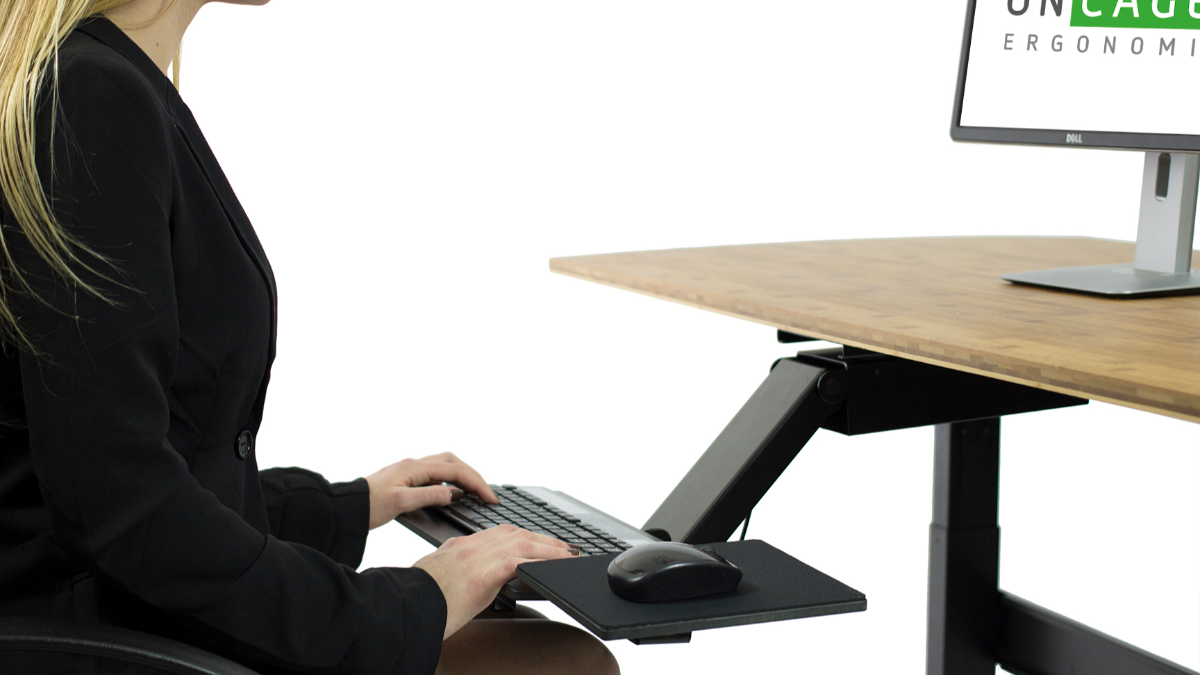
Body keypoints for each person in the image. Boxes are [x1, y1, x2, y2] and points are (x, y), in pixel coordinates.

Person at [0, 0, 620, 673]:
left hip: (119, 612)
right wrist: (409, 602)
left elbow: (112, 459)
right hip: (109, 640)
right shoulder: (89, 96)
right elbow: (117, 505)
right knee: (560, 662)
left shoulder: (86, 81)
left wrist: (346, 506)